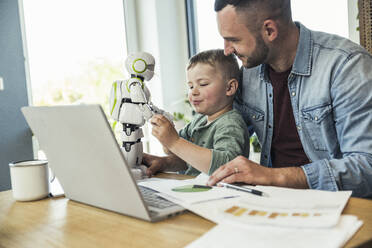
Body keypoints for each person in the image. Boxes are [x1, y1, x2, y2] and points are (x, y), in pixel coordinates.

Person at [206, 0, 372, 198]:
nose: (227, 50)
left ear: (269, 30)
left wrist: (272, 176)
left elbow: (367, 166)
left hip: (341, 208)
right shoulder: (249, 73)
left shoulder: (346, 65)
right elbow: (225, 131)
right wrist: (172, 157)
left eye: (234, 40)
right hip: (273, 203)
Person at [144, 49, 250, 177]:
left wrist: (174, 142)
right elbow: (183, 156)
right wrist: (164, 158)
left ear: (229, 87)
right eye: (191, 86)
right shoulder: (199, 121)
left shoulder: (230, 124)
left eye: (203, 84)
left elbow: (226, 166)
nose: (194, 92)